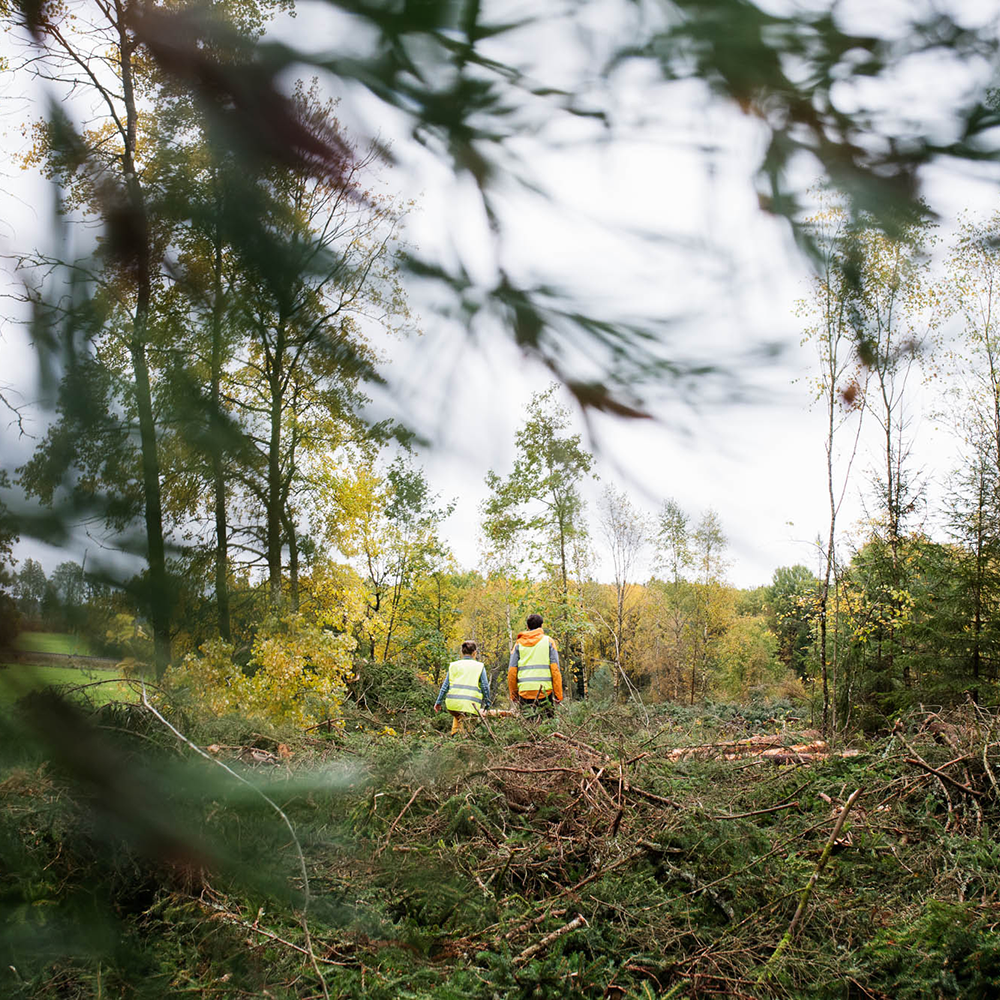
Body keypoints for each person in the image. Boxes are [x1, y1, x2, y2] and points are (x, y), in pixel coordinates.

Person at [508, 613, 563, 717]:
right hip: (545, 692)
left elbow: (512, 671)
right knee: (547, 727)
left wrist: (514, 694)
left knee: (528, 727)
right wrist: (558, 694)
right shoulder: (549, 642)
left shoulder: (518, 644)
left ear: (527, 627)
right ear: (541, 626)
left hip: (525, 692)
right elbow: (555, 670)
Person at [434, 640, 491, 735]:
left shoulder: (453, 665)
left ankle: (454, 737)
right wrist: (488, 703)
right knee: (468, 725)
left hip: (452, 705)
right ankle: (464, 741)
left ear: (462, 652)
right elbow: (485, 687)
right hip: (470, 706)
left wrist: (438, 702)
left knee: (458, 716)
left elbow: (445, 686)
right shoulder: (479, 666)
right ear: (474, 653)